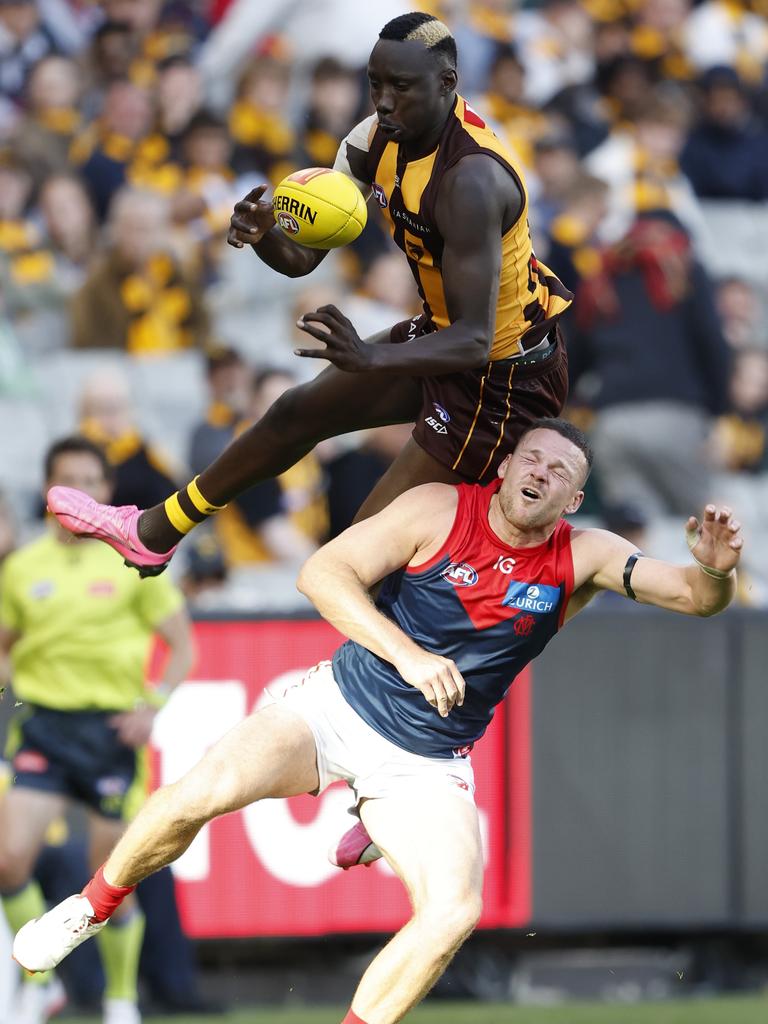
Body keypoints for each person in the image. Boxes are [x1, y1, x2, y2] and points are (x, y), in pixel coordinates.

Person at [12, 419, 743, 1024]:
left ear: (574, 495)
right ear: (507, 465)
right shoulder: (438, 508)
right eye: (533, 457)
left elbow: (692, 597)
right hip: (334, 707)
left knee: (454, 912)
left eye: (560, 471)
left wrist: (714, 572)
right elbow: (320, 573)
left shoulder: (584, 553)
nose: (542, 473)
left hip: (426, 762)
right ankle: (88, 909)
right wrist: (407, 653)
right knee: (198, 792)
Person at [46, 11, 573, 579]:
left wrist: (372, 358)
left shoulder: (470, 180)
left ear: (447, 84)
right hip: (445, 336)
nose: (385, 101)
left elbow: (475, 340)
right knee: (295, 412)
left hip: (506, 375)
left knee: (358, 559)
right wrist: (265, 235)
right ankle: (153, 533)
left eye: (402, 87)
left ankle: (413, 663)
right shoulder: (372, 140)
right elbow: (302, 262)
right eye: (376, 84)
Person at [0, 436, 195, 1024]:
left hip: (111, 731)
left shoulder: (134, 557)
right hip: (43, 729)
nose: (80, 491)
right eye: (68, 480)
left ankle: (120, 996)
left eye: (92, 479)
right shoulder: (21, 567)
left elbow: (183, 647)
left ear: (107, 491)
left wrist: (151, 706)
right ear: (48, 492)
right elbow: (4, 651)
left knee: (109, 878)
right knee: (9, 860)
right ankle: (42, 982)